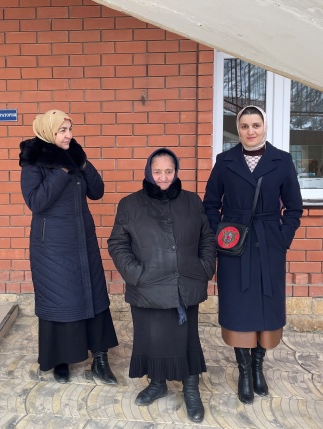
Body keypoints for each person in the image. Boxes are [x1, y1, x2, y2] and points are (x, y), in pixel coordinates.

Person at [203, 105, 303, 405]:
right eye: (244, 126)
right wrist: (221, 233)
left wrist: (281, 239)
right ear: (238, 129)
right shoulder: (224, 161)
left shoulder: (282, 160)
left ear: (265, 126)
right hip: (234, 245)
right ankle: (244, 371)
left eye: (255, 125)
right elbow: (210, 204)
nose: (250, 131)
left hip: (269, 243)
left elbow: (294, 207)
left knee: (266, 305)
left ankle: (258, 366)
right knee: (238, 306)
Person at [108, 148, 215, 423]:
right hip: (146, 286)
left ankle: (191, 389)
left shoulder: (192, 201)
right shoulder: (130, 204)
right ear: (148, 172)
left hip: (185, 284)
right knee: (151, 338)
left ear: (176, 172)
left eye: (169, 171)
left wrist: (205, 267)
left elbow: (207, 237)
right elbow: (117, 243)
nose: (163, 177)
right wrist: (135, 274)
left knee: (187, 340)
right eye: (157, 172)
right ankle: (157, 383)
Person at [19, 109, 118, 385]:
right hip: (51, 246)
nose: (68, 135)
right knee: (58, 298)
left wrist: (81, 161)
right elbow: (36, 202)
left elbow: (97, 192)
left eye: (70, 129)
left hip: (82, 241)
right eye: (62, 130)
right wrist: (61, 169)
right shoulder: (33, 161)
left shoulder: (74, 155)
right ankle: (60, 359)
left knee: (93, 295)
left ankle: (100, 358)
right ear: (48, 131)